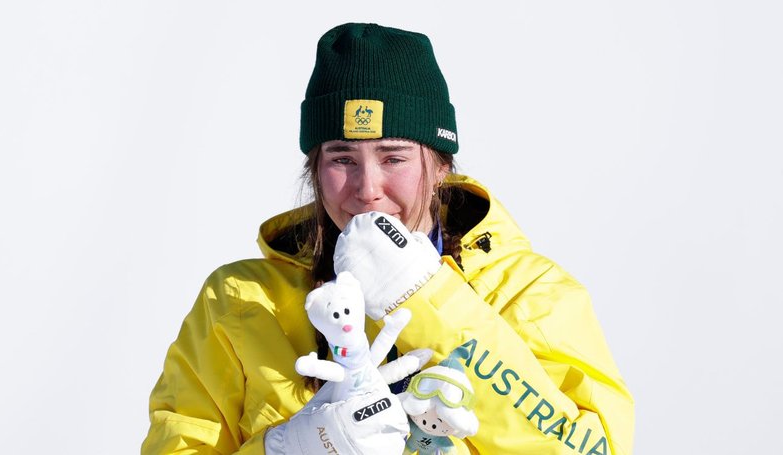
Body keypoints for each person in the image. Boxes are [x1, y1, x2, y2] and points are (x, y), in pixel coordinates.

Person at [142, 22, 635, 455]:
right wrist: (288, 448)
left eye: (393, 157)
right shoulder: (240, 301)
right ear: (314, 169)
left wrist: (426, 300)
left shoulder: (530, 292)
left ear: (440, 165)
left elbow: (595, 449)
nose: (367, 189)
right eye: (341, 158)